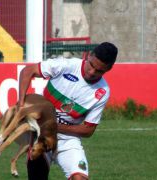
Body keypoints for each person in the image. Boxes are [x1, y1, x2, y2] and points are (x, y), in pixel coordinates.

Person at [18, 42, 118, 180]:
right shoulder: (66, 65)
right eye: (92, 65)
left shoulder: (102, 91)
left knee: (80, 178)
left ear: (109, 69)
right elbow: (28, 71)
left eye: (99, 71)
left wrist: (54, 126)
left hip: (67, 138)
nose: (91, 72)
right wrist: (21, 104)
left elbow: (88, 130)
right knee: (37, 166)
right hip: (41, 133)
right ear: (89, 55)